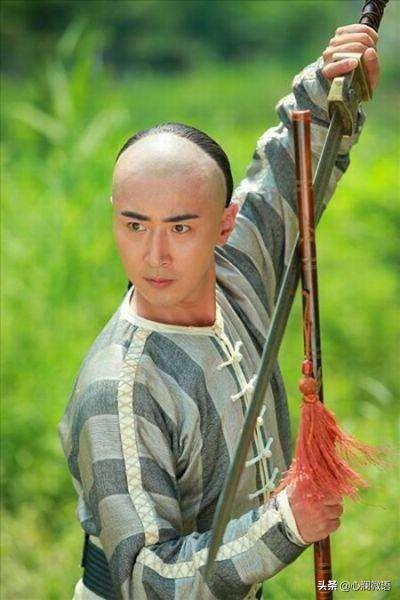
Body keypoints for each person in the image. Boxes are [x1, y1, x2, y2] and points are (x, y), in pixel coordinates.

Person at [58, 23, 380, 600]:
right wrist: (285, 523)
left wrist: (334, 81)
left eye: (181, 228)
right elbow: (145, 580)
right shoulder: (118, 390)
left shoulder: (235, 274)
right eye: (135, 225)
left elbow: (288, 171)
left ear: (225, 224)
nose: (155, 256)